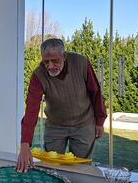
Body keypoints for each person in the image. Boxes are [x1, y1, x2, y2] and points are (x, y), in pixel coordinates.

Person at [16, 38, 107, 173]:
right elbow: (31, 109)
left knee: (81, 170)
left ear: (64, 56)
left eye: (55, 61)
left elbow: (96, 92)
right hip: (55, 125)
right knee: (52, 168)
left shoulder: (81, 63)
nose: (50, 66)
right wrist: (25, 143)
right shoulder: (38, 75)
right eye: (46, 62)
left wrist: (100, 121)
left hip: (84, 124)